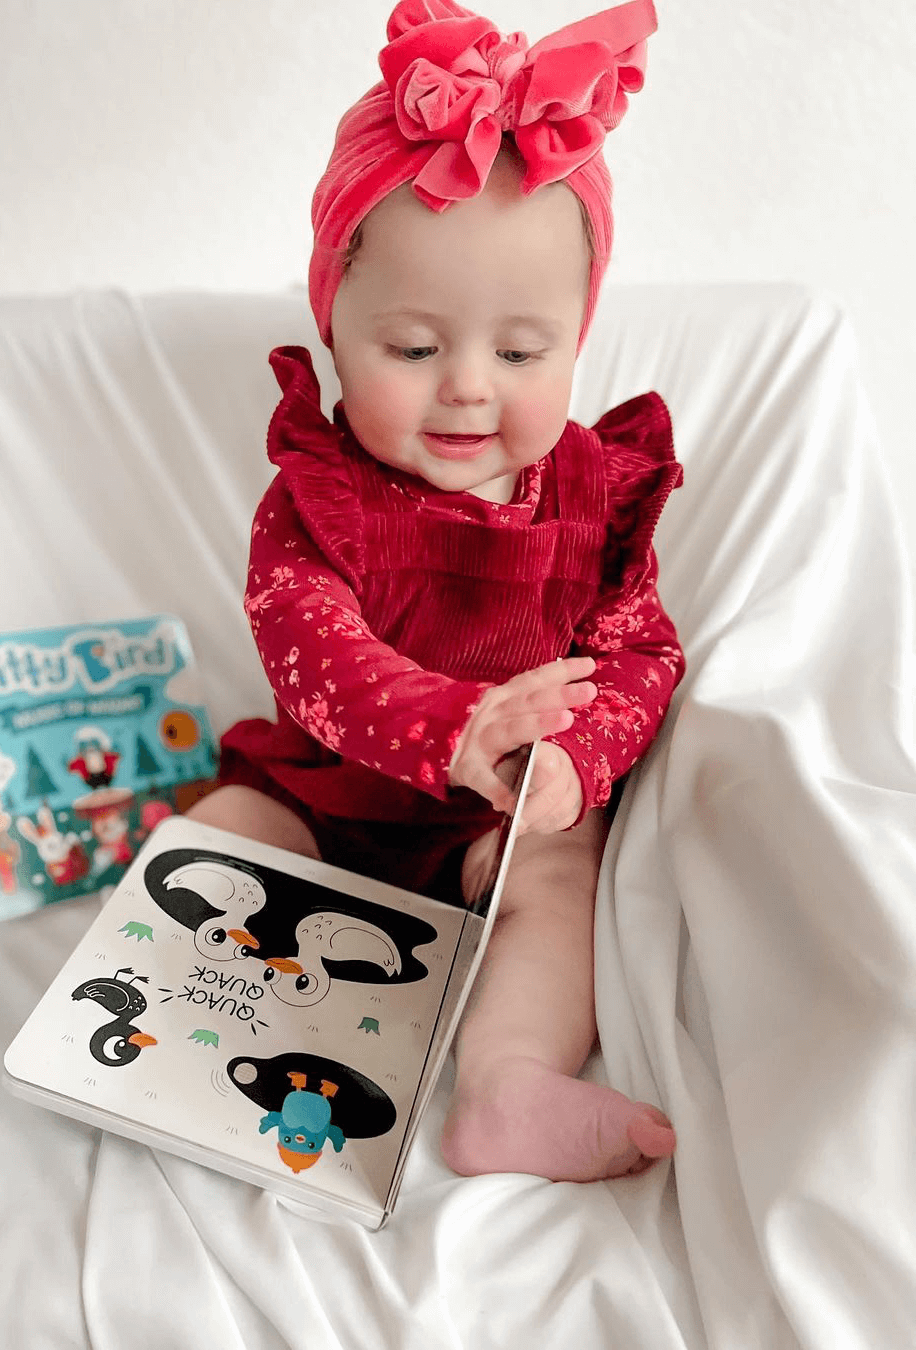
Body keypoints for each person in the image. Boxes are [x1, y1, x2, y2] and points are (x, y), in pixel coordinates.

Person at [189, 0, 683, 1182]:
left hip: (488, 825)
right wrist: (447, 722)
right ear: (336, 330)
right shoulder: (324, 491)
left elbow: (639, 652)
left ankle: (507, 1086)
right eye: (412, 349)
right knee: (213, 843)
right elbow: (308, 644)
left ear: (577, 339)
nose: (468, 389)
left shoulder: (594, 494)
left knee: (558, 881)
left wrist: (576, 759)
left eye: (521, 354)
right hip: (327, 796)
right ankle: (183, 1050)